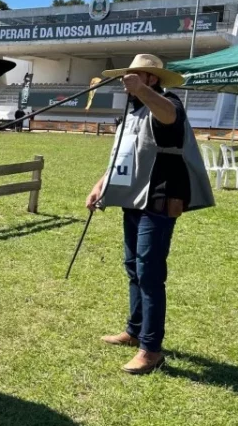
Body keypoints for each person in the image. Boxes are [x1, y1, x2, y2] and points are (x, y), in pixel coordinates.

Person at [85, 54, 215, 374]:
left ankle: (151, 349)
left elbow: (169, 116)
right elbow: (124, 152)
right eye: (128, 75)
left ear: (152, 78)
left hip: (158, 200)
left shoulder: (167, 102)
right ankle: (134, 330)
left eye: (136, 75)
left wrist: (143, 91)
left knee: (150, 273)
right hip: (133, 198)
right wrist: (101, 183)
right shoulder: (133, 110)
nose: (128, 79)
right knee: (134, 267)